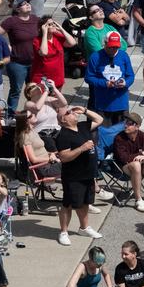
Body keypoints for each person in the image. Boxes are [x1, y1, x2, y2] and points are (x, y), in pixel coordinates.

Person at [54, 105, 106, 245]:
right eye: (68, 113)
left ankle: (84, 227)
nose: (73, 113)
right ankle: (63, 232)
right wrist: (82, 148)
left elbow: (99, 119)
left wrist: (84, 110)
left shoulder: (83, 126)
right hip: (73, 176)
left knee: (85, 203)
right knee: (68, 204)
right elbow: (64, 157)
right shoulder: (63, 136)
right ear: (63, 120)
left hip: (88, 174)